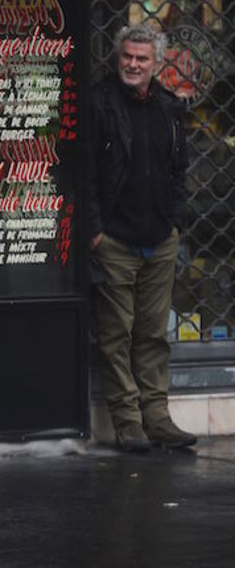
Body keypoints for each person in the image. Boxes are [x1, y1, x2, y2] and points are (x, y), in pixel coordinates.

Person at [89, 24, 194, 453]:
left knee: (154, 335)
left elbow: (179, 170)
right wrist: (95, 232)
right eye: (127, 57)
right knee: (116, 336)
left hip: (159, 238)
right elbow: (86, 174)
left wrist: (174, 222)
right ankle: (128, 423)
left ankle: (158, 418)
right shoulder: (100, 103)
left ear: (157, 63)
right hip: (114, 240)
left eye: (142, 59)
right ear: (118, 59)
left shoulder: (170, 108)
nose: (133, 64)